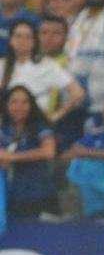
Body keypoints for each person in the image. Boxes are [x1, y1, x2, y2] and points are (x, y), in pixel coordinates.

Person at [0, 19, 85, 125]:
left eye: (28, 37)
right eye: (18, 36)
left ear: (34, 41)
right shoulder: (2, 65)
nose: (22, 41)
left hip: (36, 127)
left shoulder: (47, 66)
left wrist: (55, 117)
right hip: (6, 127)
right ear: (10, 40)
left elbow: (77, 93)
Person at [0, 85, 58, 218]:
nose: (19, 107)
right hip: (9, 196)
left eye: (24, 102)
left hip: (37, 195)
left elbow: (49, 151)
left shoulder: (40, 125)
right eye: (14, 102)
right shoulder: (4, 128)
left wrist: (13, 157)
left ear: (31, 104)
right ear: (6, 105)